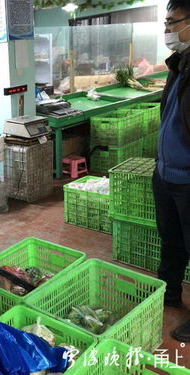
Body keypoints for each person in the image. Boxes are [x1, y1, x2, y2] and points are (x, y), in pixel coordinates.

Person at [153, 0, 190, 342]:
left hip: (189, 179)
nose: (167, 31)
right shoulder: (178, 64)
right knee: (171, 240)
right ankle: (169, 292)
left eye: (172, 23)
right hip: (166, 173)